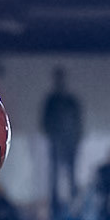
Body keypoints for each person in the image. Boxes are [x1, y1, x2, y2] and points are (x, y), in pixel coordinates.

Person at [40, 66, 83, 211]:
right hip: (56, 140)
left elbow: (78, 122)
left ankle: (74, 204)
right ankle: (55, 206)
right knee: (55, 176)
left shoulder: (71, 101)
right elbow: (45, 122)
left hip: (70, 141)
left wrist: (75, 138)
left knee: (71, 175)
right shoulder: (52, 101)